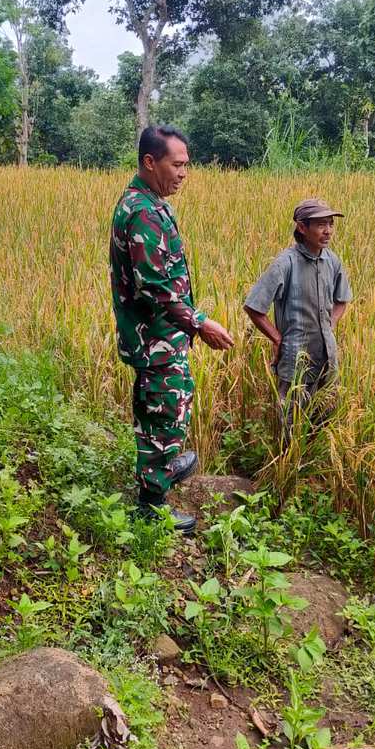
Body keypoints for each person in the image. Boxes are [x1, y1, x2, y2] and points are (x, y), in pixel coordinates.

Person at [109, 125, 234, 535]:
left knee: (163, 406)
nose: (184, 173)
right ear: (150, 162)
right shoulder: (142, 211)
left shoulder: (151, 202)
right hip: (154, 337)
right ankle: (152, 505)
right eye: (176, 164)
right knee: (164, 410)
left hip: (160, 334)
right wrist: (200, 324)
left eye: (187, 165)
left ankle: (160, 466)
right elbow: (153, 286)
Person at [243, 198, 352, 439]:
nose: (328, 231)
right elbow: (254, 306)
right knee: (290, 423)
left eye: (331, 224)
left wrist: (330, 325)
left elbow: (342, 299)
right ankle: (287, 470)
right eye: (321, 225)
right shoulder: (285, 263)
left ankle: (314, 469)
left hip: (327, 356)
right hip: (295, 359)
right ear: (302, 228)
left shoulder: (332, 260)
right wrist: (277, 338)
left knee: (324, 418)